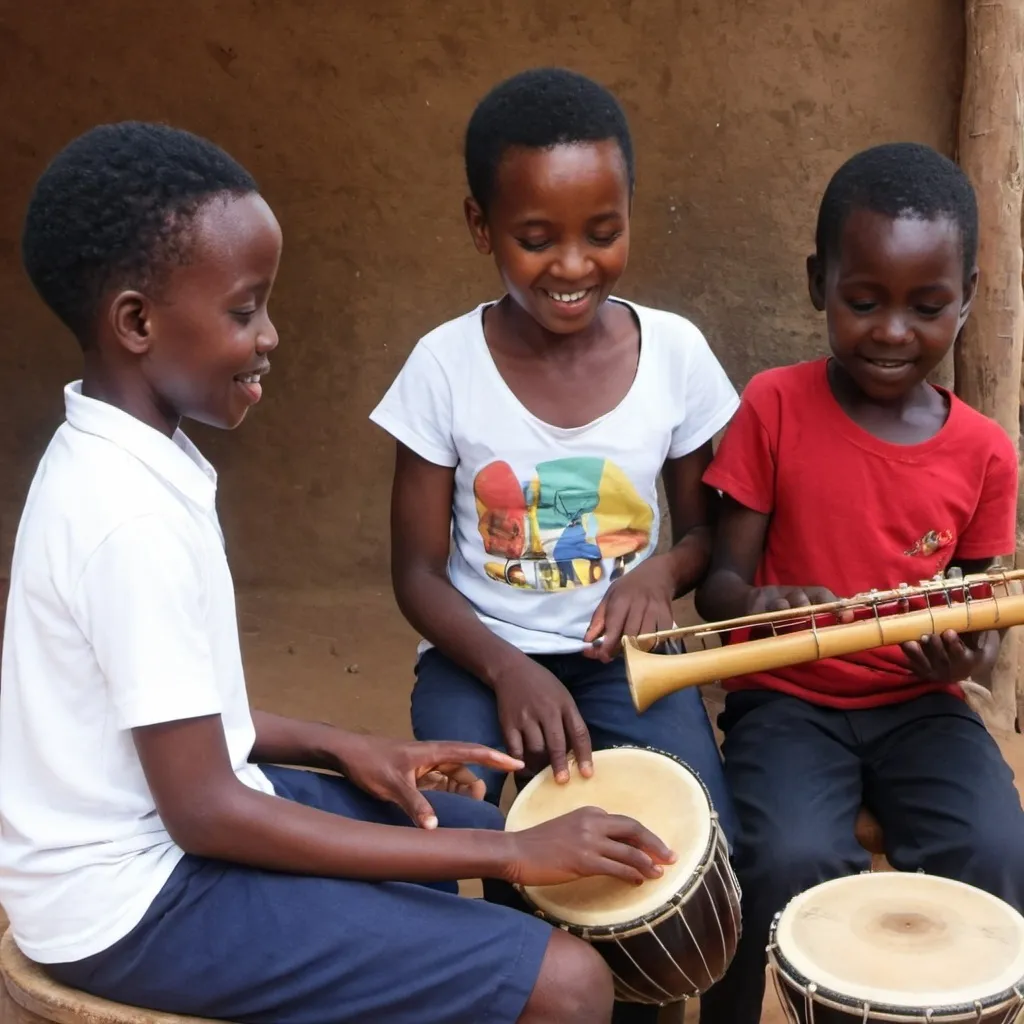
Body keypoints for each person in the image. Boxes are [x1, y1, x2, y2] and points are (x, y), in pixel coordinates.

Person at [0, 121, 680, 1024]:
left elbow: (178, 723)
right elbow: (205, 812)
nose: (271, 336)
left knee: (478, 828)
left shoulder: (121, 456)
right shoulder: (124, 518)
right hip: (133, 905)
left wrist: (345, 748)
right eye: (245, 311)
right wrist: (509, 861)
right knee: (565, 978)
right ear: (135, 322)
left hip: (167, 840)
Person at [694, 141, 1024, 1024]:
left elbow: (980, 612)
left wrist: (961, 655)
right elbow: (719, 586)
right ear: (818, 284)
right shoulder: (772, 404)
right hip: (787, 701)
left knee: (997, 847)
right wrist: (762, 605)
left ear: (969, 301)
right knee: (785, 857)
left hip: (920, 708)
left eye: (927, 307)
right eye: (863, 300)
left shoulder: (986, 451)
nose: (891, 331)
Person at [369, 67, 738, 842]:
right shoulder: (442, 367)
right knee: (472, 827)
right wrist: (508, 668)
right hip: (477, 656)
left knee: (703, 836)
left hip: (625, 660)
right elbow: (416, 575)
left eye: (602, 234)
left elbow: (708, 537)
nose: (573, 266)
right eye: (536, 240)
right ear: (482, 227)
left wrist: (658, 573)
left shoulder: (675, 353)